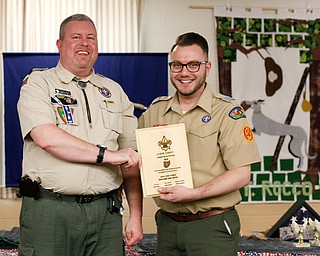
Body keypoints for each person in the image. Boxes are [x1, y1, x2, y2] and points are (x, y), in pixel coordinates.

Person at [17, 13, 143, 256]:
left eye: (91, 38)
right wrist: (109, 156)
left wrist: (136, 215)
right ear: (59, 45)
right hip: (51, 211)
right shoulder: (38, 84)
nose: (85, 43)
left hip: (105, 214)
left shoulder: (115, 91)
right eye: (76, 37)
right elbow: (46, 138)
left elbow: (131, 160)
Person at [138, 32, 261, 256]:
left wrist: (192, 194)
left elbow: (242, 174)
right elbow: (139, 164)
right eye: (177, 65)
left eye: (193, 65)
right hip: (167, 225)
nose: (184, 72)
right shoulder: (154, 112)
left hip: (211, 226)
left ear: (207, 67)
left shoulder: (227, 112)